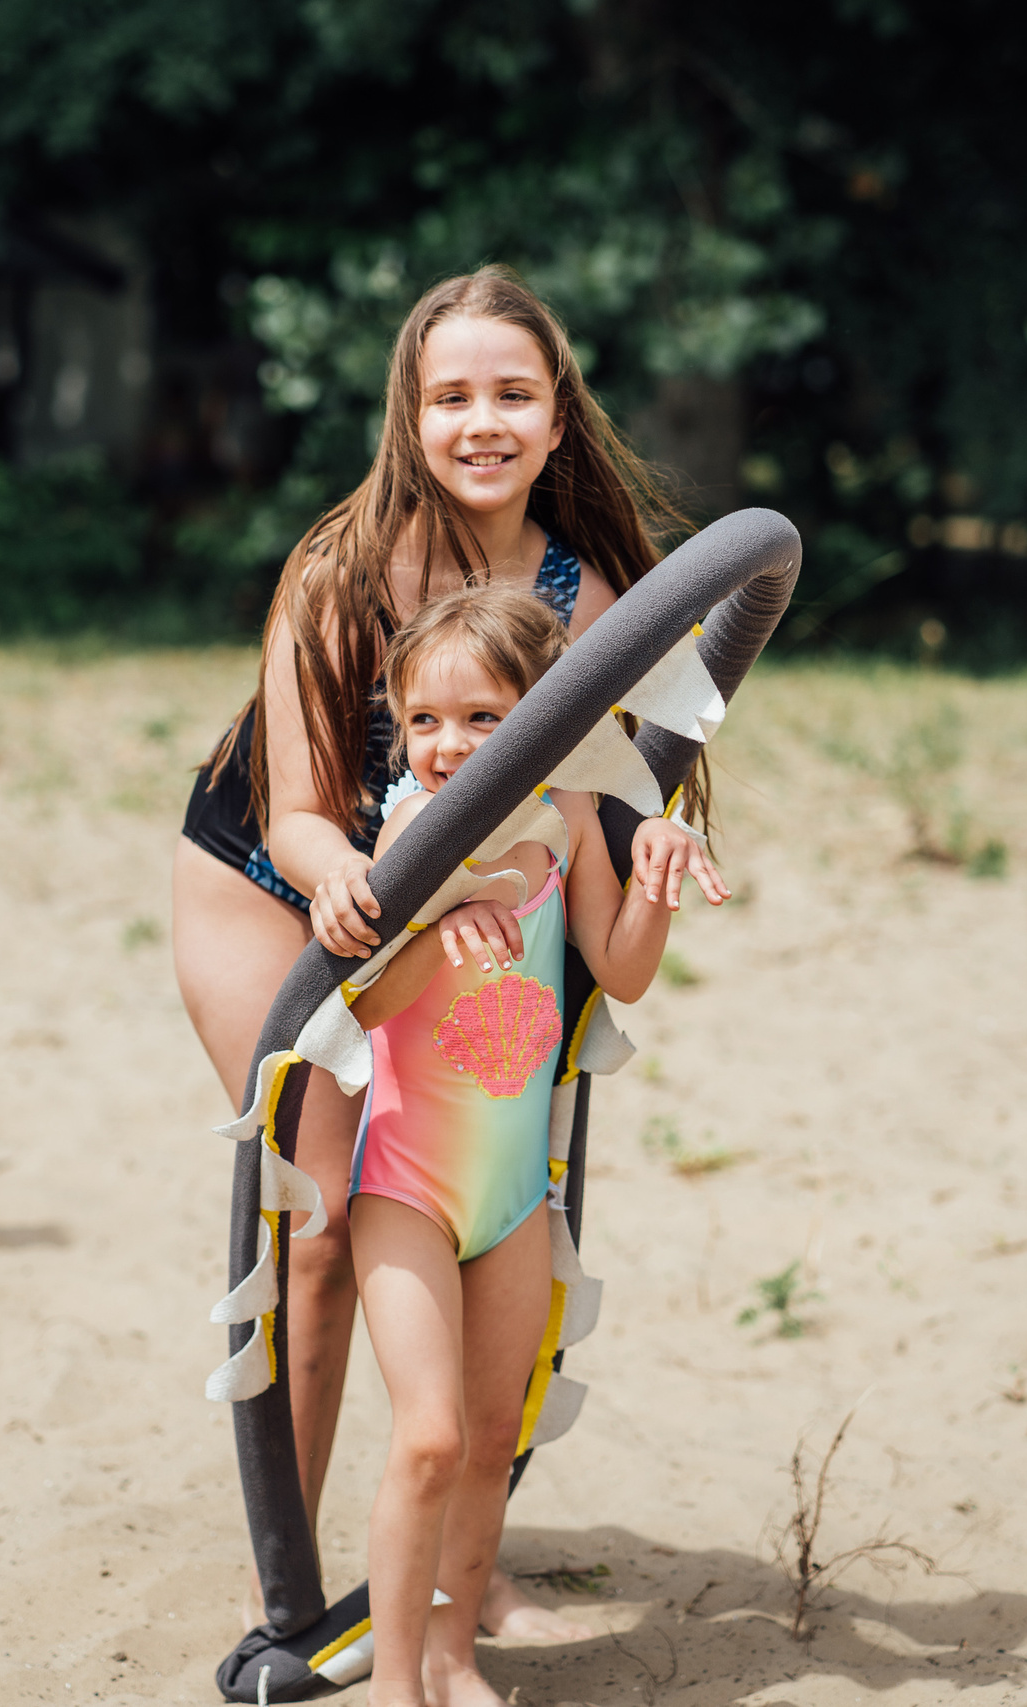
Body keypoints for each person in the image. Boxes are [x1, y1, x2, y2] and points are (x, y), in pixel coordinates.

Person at [172, 267, 697, 1635]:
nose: (483, 420)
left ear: (558, 415)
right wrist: (349, 876)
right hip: (283, 882)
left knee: (487, 1200)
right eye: (451, 393)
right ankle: (284, 1569)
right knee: (328, 1214)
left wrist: (650, 848)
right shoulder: (341, 567)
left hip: (473, 892)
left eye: (513, 393)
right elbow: (295, 808)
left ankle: (460, 1560)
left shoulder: (596, 589)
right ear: (408, 414)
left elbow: (644, 770)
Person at [345, 585, 726, 1707]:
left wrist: (652, 866)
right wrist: (435, 917)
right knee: (426, 1439)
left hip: (514, 1189)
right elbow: (364, 1007)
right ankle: (396, 1682)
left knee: (491, 1436)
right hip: (410, 1181)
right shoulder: (415, 827)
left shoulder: (562, 817)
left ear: (543, 720)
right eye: (423, 720)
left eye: (480, 717)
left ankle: (457, 1658)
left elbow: (620, 967)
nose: (446, 745)